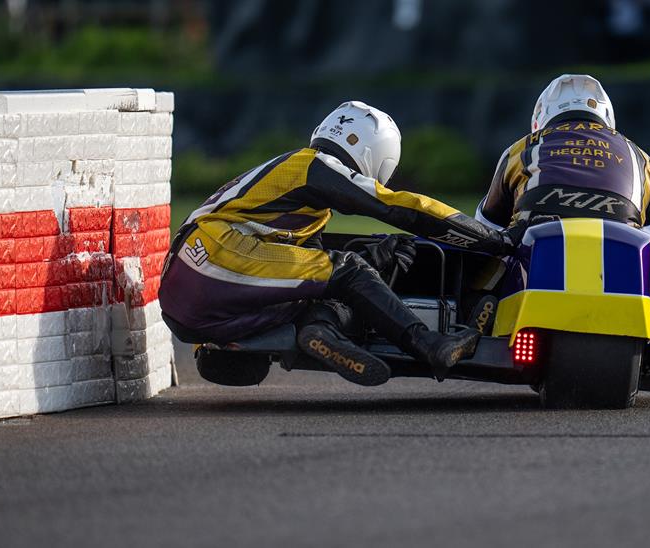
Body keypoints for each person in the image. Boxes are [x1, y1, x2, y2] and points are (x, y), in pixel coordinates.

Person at [160, 101, 523, 387]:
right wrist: (496, 239)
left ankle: (317, 332)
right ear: (377, 156)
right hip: (213, 255)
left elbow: (315, 267)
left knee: (326, 283)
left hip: (188, 288)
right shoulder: (313, 166)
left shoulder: (292, 191)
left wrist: (372, 259)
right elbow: (403, 209)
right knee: (347, 269)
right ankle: (429, 345)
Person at [477, 74, 650, 231]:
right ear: (608, 117)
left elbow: (487, 225)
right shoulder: (642, 158)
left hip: (538, 258)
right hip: (622, 256)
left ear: (539, 120)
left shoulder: (519, 149)